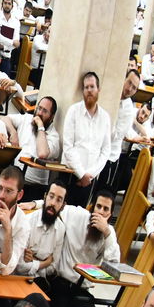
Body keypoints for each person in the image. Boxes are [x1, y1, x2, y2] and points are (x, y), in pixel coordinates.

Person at [62, 71, 111, 207]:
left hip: (90, 179)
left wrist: (90, 175)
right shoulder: (73, 111)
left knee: (80, 217)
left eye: (92, 87)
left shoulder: (105, 117)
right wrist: (81, 173)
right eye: (86, 87)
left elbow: (106, 150)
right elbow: (68, 146)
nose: (89, 90)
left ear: (98, 89)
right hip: (70, 174)